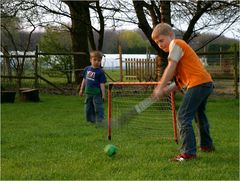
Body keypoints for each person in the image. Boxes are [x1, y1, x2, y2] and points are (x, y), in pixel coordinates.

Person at [151, 23, 215, 161]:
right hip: (205, 83)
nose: (159, 45)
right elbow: (179, 83)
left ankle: (188, 153)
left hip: (199, 83)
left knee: (183, 116)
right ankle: (206, 145)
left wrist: (160, 87)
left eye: (161, 40)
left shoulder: (176, 43)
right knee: (199, 115)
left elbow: (170, 66)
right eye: (156, 43)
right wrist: (165, 91)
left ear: (170, 35)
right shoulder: (179, 56)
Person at [79, 50, 107, 125]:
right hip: (88, 93)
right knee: (88, 108)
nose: (97, 62)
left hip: (97, 94)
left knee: (99, 108)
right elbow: (84, 80)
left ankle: (100, 121)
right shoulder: (87, 69)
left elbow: (102, 84)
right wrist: (81, 89)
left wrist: (103, 94)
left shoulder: (100, 72)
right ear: (90, 60)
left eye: (99, 60)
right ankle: (90, 121)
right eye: (95, 60)